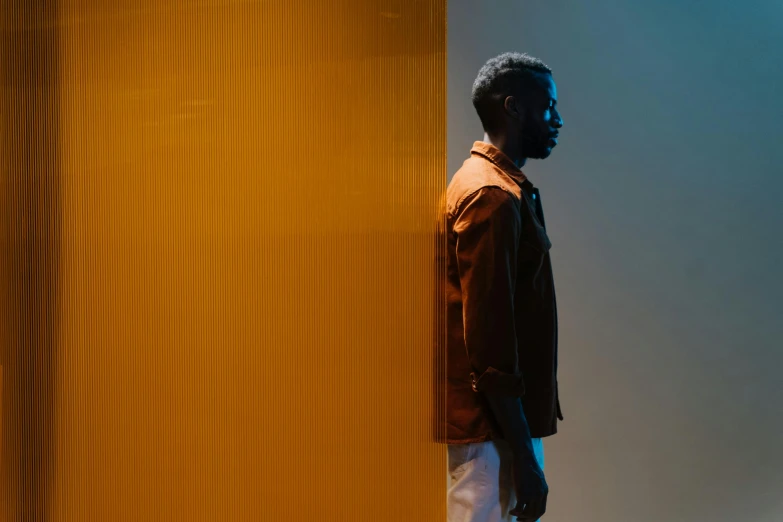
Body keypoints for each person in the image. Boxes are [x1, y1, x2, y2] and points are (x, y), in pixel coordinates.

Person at [444, 52, 565, 522]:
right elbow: (491, 342)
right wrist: (525, 458)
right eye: (549, 107)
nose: (558, 119)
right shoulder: (492, 195)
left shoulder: (497, 186)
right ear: (513, 107)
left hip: (496, 428)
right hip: (491, 432)